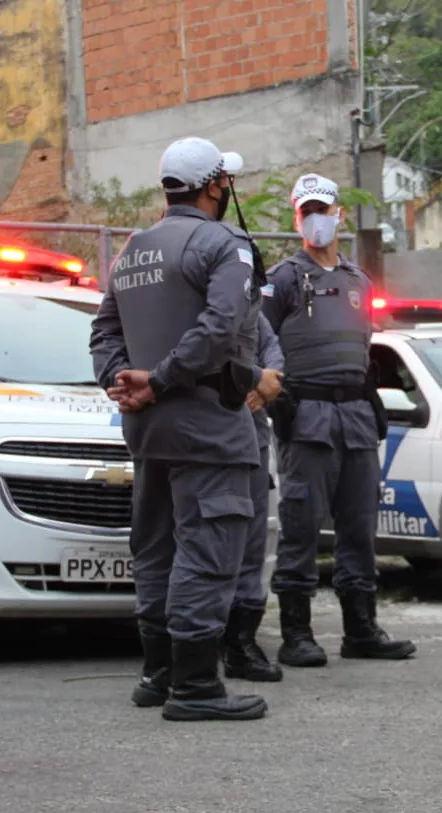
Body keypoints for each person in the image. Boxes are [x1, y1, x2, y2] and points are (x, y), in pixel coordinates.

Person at [88, 136, 283, 722]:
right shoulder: (225, 243)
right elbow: (222, 324)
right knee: (207, 549)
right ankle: (197, 686)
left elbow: (103, 332)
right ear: (216, 186)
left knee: (156, 549)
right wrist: (162, 379)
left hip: (149, 432)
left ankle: (157, 673)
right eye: (227, 183)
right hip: (208, 427)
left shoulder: (134, 250)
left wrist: (122, 382)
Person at [262, 172, 416, 667]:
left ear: (338, 215)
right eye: (306, 211)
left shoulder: (358, 281)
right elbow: (261, 347)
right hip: (306, 416)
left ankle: (361, 629)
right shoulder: (283, 279)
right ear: (296, 218)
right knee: (301, 524)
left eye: (322, 210)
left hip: (354, 416)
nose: (315, 219)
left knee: (359, 526)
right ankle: (296, 634)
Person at [221, 314, 285, 682]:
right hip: (205, 432)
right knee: (209, 542)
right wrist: (247, 378)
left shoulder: (250, 309)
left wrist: (262, 387)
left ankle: (241, 643)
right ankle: (188, 648)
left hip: (251, 435)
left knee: (251, 543)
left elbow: (273, 352)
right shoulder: (190, 297)